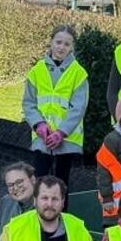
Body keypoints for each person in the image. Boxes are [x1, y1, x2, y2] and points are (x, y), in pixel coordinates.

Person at [23, 24, 89, 182]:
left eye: (67, 44)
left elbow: (78, 108)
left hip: (66, 139)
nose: (61, 47)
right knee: (40, 182)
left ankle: (62, 208)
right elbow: (28, 102)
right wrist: (39, 124)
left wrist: (61, 132)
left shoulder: (78, 73)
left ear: (72, 47)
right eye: (58, 42)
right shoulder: (36, 71)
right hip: (42, 137)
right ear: (51, 42)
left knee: (62, 184)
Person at [0, 161, 37, 230]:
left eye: (19, 182)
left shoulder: (46, 207)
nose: (15, 188)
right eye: (10, 185)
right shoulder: (5, 202)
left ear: (32, 179)